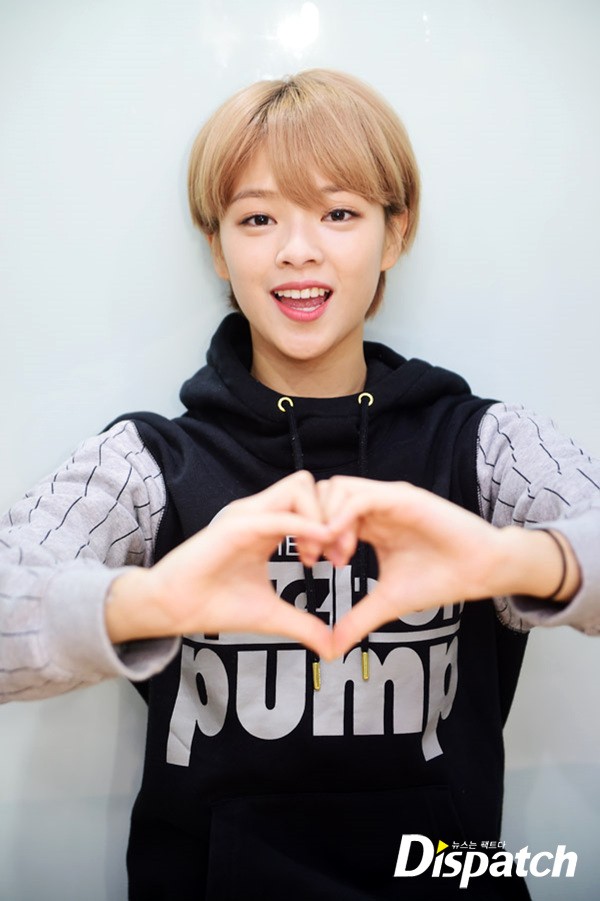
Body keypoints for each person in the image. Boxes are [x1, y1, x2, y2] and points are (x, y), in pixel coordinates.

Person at [1, 68, 599, 899]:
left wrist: (520, 563)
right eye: (257, 218)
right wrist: (150, 602)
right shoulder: (148, 460)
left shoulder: (484, 444)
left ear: (395, 233)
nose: (297, 249)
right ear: (218, 246)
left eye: (339, 213)